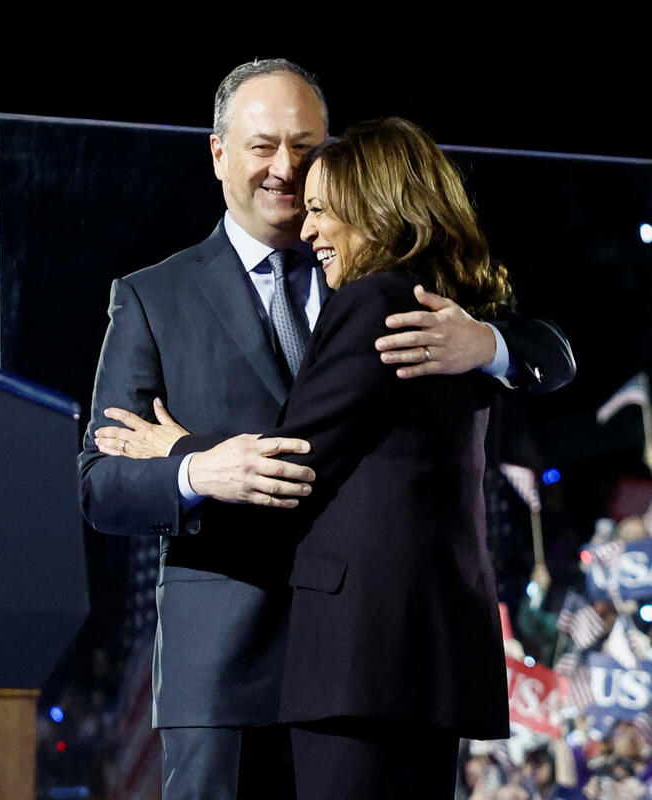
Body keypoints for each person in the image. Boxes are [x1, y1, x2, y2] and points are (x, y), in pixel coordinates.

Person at [77, 60, 576, 800]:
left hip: (367, 657)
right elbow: (102, 481)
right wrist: (194, 473)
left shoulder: (390, 278)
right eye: (262, 146)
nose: (285, 168)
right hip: (227, 676)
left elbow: (551, 353)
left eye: (305, 148)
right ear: (218, 153)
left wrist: (489, 345)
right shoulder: (153, 298)